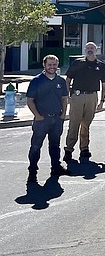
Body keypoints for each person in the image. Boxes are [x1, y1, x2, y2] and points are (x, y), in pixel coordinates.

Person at [26, 55, 70, 183]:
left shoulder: (61, 81)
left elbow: (64, 99)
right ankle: (32, 172)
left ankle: (56, 167)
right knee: (35, 146)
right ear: (44, 65)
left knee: (55, 145)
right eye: (49, 65)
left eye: (54, 64)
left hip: (57, 119)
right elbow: (30, 101)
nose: (52, 67)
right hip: (41, 120)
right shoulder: (36, 81)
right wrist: (38, 116)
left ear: (57, 65)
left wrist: (63, 115)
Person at [64, 42, 105, 161]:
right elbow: (68, 79)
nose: (90, 50)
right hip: (77, 96)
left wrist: (102, 100)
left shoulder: (101, 65)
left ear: (96, 50)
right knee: (74, 123)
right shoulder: (78, 63)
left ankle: (84, 148)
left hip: (92, 96)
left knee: (86, 125)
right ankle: (68, 149)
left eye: (92, 48)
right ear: (85, 50)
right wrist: (68, 95)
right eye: (88, 48)